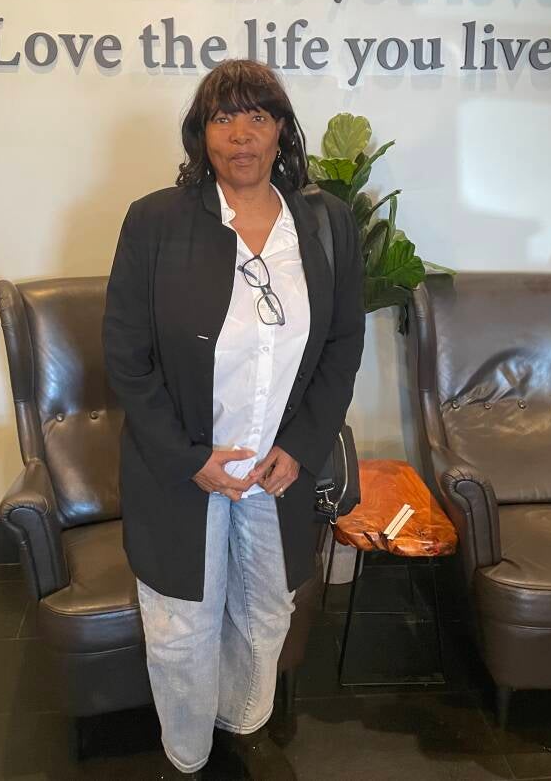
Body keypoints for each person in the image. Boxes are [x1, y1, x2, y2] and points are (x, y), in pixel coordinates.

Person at [102, 59, 365, 778]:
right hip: (181, 469)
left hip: (275, 470)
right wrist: (188, 458)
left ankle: (240, 724)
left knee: (264, 613)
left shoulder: (326, 224)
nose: (241, 134)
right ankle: (187, 755)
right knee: (181, 625)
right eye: (223, 118)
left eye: (257, 116)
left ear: (282, 130)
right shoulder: (155, 221)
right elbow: (125, 356)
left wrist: (302, 445)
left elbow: (342, 345)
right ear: (201, 132)